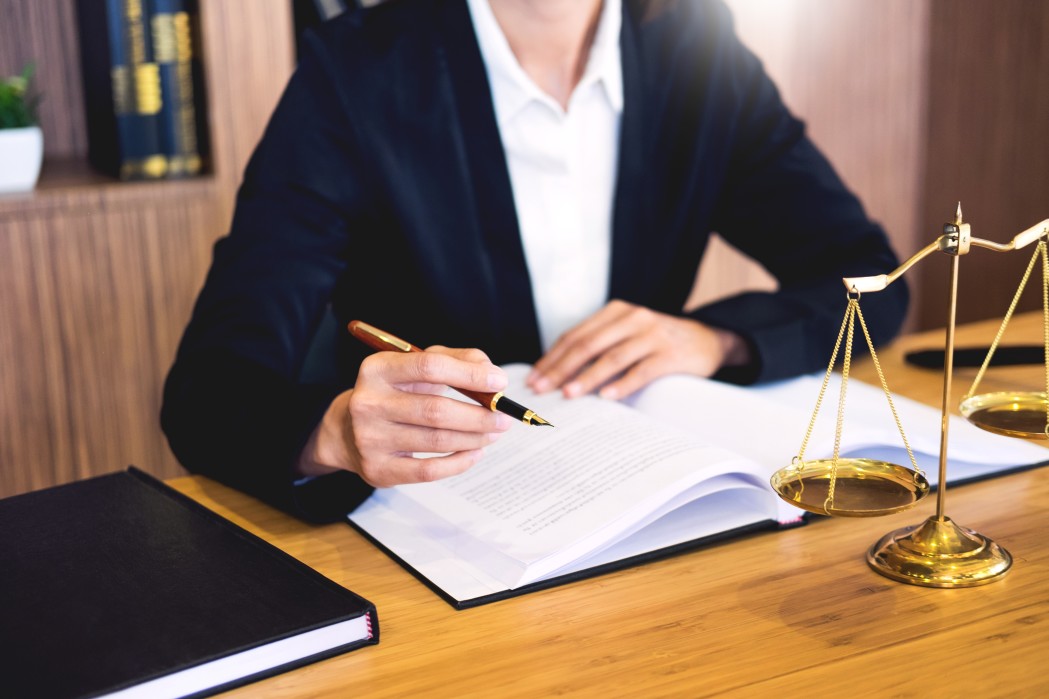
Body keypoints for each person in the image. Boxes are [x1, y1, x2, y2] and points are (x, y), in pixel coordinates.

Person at [161, 0, 909, 523]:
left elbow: (871, 278)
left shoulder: (697, 51)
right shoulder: (355, 72)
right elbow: (205, 394)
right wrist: (334, 432)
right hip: (437, 528)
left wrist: (717, 340)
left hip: (644, 509)